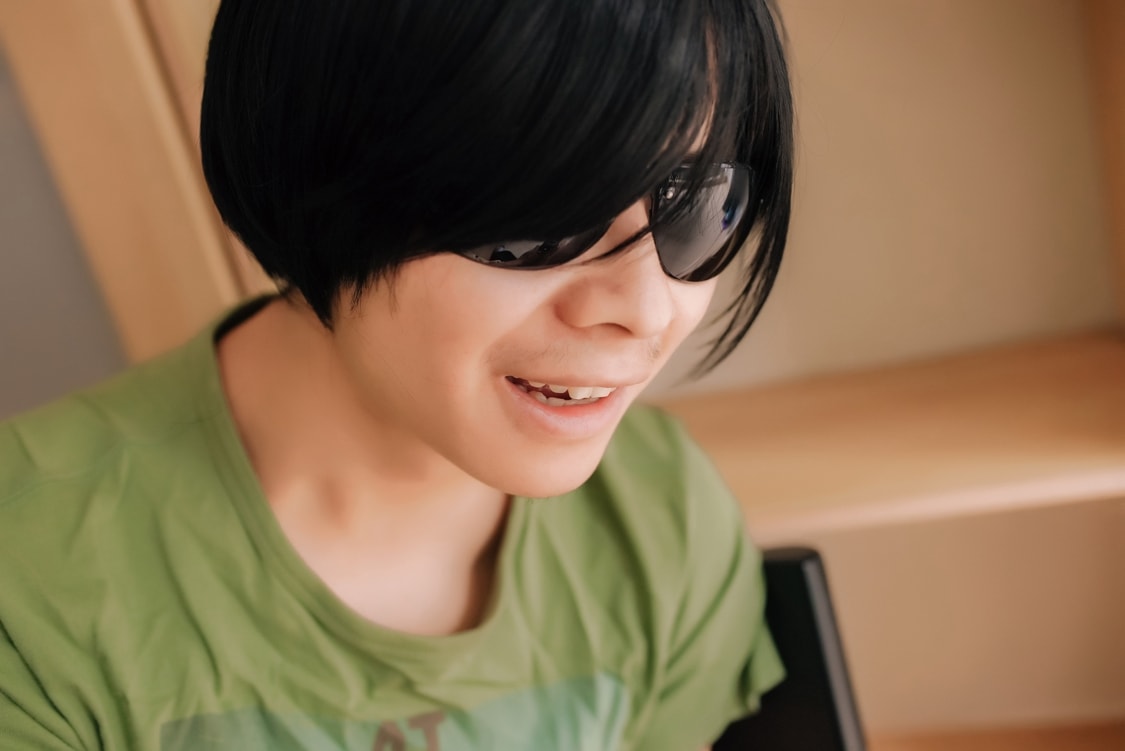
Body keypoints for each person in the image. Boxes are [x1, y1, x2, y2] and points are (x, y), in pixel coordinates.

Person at [0, 0, 794, 748]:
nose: (647, 309)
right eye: (543, 222)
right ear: (321, 167)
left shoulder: (664, 523)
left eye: (695, 207)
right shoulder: (31, 597)